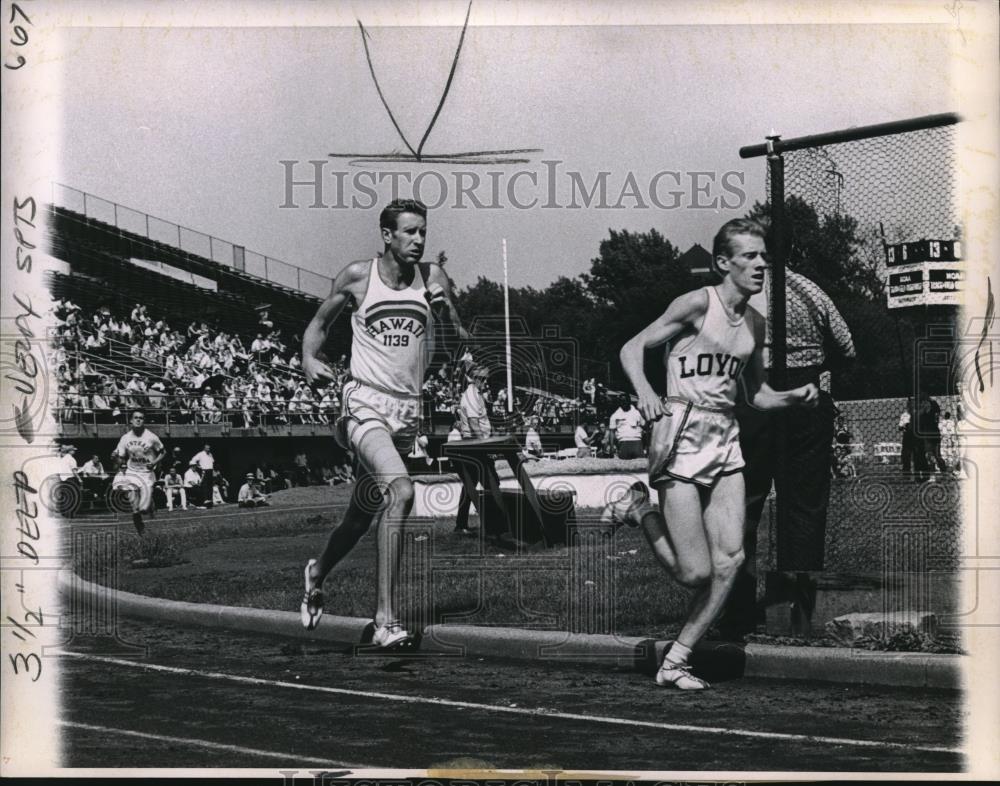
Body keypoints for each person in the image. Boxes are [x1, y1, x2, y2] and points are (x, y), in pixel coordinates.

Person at [602, 218, 819, 689]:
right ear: (724, 263)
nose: (761, 264)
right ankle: (640, 509)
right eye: (749, 256)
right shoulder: (698, 304)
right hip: (680, 433)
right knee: (695, 571)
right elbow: (632, 346)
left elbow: (756, 394)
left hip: (724, 439)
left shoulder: (755, 324)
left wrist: (794, 396)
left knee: (731, 560)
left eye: (764, 255)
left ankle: (676, 660)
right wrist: (643, 390)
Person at [300, 198, 467, 648]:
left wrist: (446, 311)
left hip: (407, 411)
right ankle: (385, 622)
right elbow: (319, 322)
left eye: (423, 232)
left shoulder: (433, 279)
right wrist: (308, 359)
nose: (418, 240)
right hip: (363, 402)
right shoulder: (358, 277)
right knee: (402, 491)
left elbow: (456, 347)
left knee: (359, 518)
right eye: (410, 232)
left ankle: (316, 573)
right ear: (387, 235)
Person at [721, 228, 856, 639]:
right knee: (805, 505)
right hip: (805, 395)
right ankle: (799, 611)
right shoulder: (810, 291)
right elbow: (848, 347)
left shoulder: (742, 291)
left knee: (741, 503)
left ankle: (736, 610)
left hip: (752, 394)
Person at [113, 410, 166, 534]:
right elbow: (121, 458)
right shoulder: (125, 438)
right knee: (135, 508)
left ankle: (151, 503)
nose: (138, 420)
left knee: (144, 509)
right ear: (131, 420)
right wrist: (115, 457)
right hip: (132, 473)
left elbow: (163, 452)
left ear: (144, 421)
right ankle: (140, 530)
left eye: (141, 418)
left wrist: (154, 463)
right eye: (135, 418)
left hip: (146, 474)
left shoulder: (151, 437)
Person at [608, 395, 645, 459]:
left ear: (629, 401)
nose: (623, 403)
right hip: (623, 442)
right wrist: (611, 447)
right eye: (621, 401)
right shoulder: (615, 415)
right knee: (624, 466)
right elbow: (612, 432)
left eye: (625, 401)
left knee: (640, 466)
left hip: (637, 442)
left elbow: (644, 426)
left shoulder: (637, 413)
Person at [189, 444, 216, 508]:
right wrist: (199, 467)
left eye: (209, 448)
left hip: (210, 471)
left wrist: (213, 471)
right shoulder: (200, 454)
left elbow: (212, 463)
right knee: (205, 486)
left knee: (210, 487)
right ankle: (205, 501)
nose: (208, 449)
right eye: (207, 448)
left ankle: (210, 501)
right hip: (204, 471)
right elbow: (192, 460)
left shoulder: (210, 454)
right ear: (204, 448)